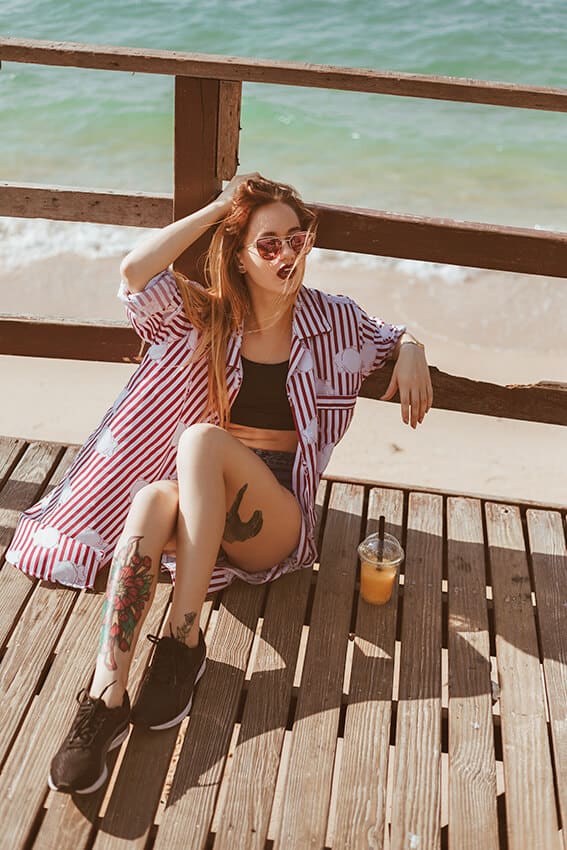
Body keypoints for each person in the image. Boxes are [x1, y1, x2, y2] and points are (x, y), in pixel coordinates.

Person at [7, 173, 432, 794]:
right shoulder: (204, 317)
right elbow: (134, 272)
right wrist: (218, 206)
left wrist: (413, 345)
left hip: (275, 524)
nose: (288, 255)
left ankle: (182, 637)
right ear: (239, 254)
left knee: (201, 441)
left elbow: (389, 337)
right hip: (205, 513)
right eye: (268, 245)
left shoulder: (333, 321)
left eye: (297, 238)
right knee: (152, 498)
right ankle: (106, 692)